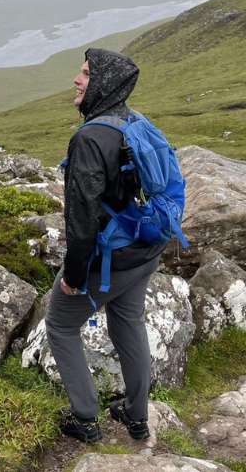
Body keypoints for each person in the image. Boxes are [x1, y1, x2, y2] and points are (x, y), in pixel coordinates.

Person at [45, 48, 166, 443]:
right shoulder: (133, 121)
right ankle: (137, 416)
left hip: (110, 257)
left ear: (103, 83)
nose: (77, 81)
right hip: (145, 247)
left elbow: (82, 221)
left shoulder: (90, 138)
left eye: (84, 74)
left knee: (61, 325)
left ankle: (85, 419)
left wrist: (75, 277)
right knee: (128, 322)